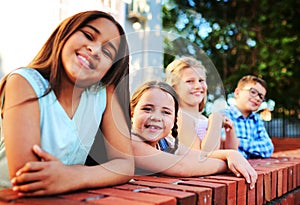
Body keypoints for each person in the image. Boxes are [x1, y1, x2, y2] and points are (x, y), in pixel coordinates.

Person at [0, 10, 134, 196]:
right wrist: (98, 173)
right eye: (88, 35)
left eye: (107, 52)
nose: (94, 51)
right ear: (65, 34)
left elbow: (125, 164)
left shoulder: (102, 93)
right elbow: (28, 176)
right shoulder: (23, 82)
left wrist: (77, 174)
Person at [130, 80, 257, 189]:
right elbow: (181, 167)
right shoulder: (130, 141)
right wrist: (227, 166)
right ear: (132, 111)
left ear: (174, 119)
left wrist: (231, 154)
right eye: (147, 109)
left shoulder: (166, 142)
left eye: (166, 112)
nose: (156, 117)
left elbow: (200, 155)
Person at [165, 57, 239, 152]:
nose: (198, 86)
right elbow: (202, 156)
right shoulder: (180, 117)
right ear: (174, 88)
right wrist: (215, 120)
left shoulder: (204, 120)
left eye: (201, 80)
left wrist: (230, 130)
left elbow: (230, 152)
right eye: (190, 81)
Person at [224, 75, 274, 159]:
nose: (258, 98)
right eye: (253, 92)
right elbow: (224, 146)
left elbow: (268, 147)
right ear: (237, 93)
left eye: (261, 97)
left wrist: (239, 142)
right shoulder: (224, 116)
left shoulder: (256, 120)